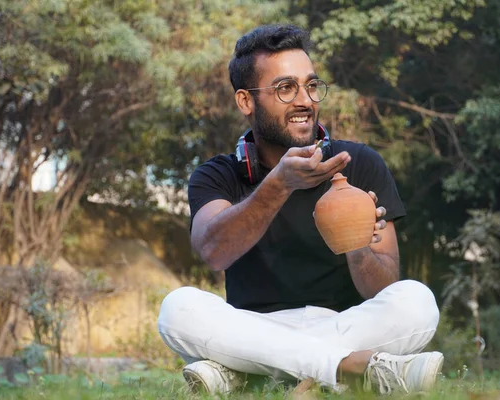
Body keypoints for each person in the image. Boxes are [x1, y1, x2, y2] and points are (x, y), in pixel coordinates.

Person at [157, 24, 443, 396]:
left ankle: (248, 371)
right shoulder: (217, 174)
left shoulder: (358, 162)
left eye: (311, 85)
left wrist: (357, 244)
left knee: (417, 301)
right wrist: (279, 183)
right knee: (178, 309)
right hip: (252, 325)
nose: (305, 100)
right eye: (285, 88)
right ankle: (349, 367)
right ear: (246, 101)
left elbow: (383, 287)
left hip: (343, 325)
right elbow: (213, 251)